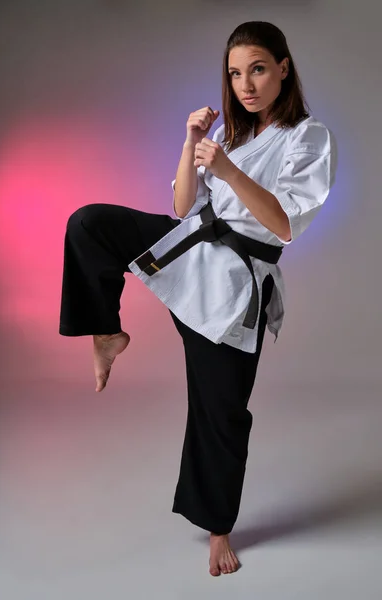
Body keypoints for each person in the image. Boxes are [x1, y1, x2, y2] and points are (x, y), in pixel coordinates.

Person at [59, 21, 337, 577]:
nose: (246, 85)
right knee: (89, 224)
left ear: (284, 66)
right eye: (235, 74)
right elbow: (187, 206)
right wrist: (191, 147)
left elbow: (283, 223)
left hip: (234, 287)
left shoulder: (307, 137)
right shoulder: (232, 136)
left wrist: (228, 169)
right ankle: (107, 332)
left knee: (220, 413)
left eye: (257, 68)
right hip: (190, 250)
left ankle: (218, 530)